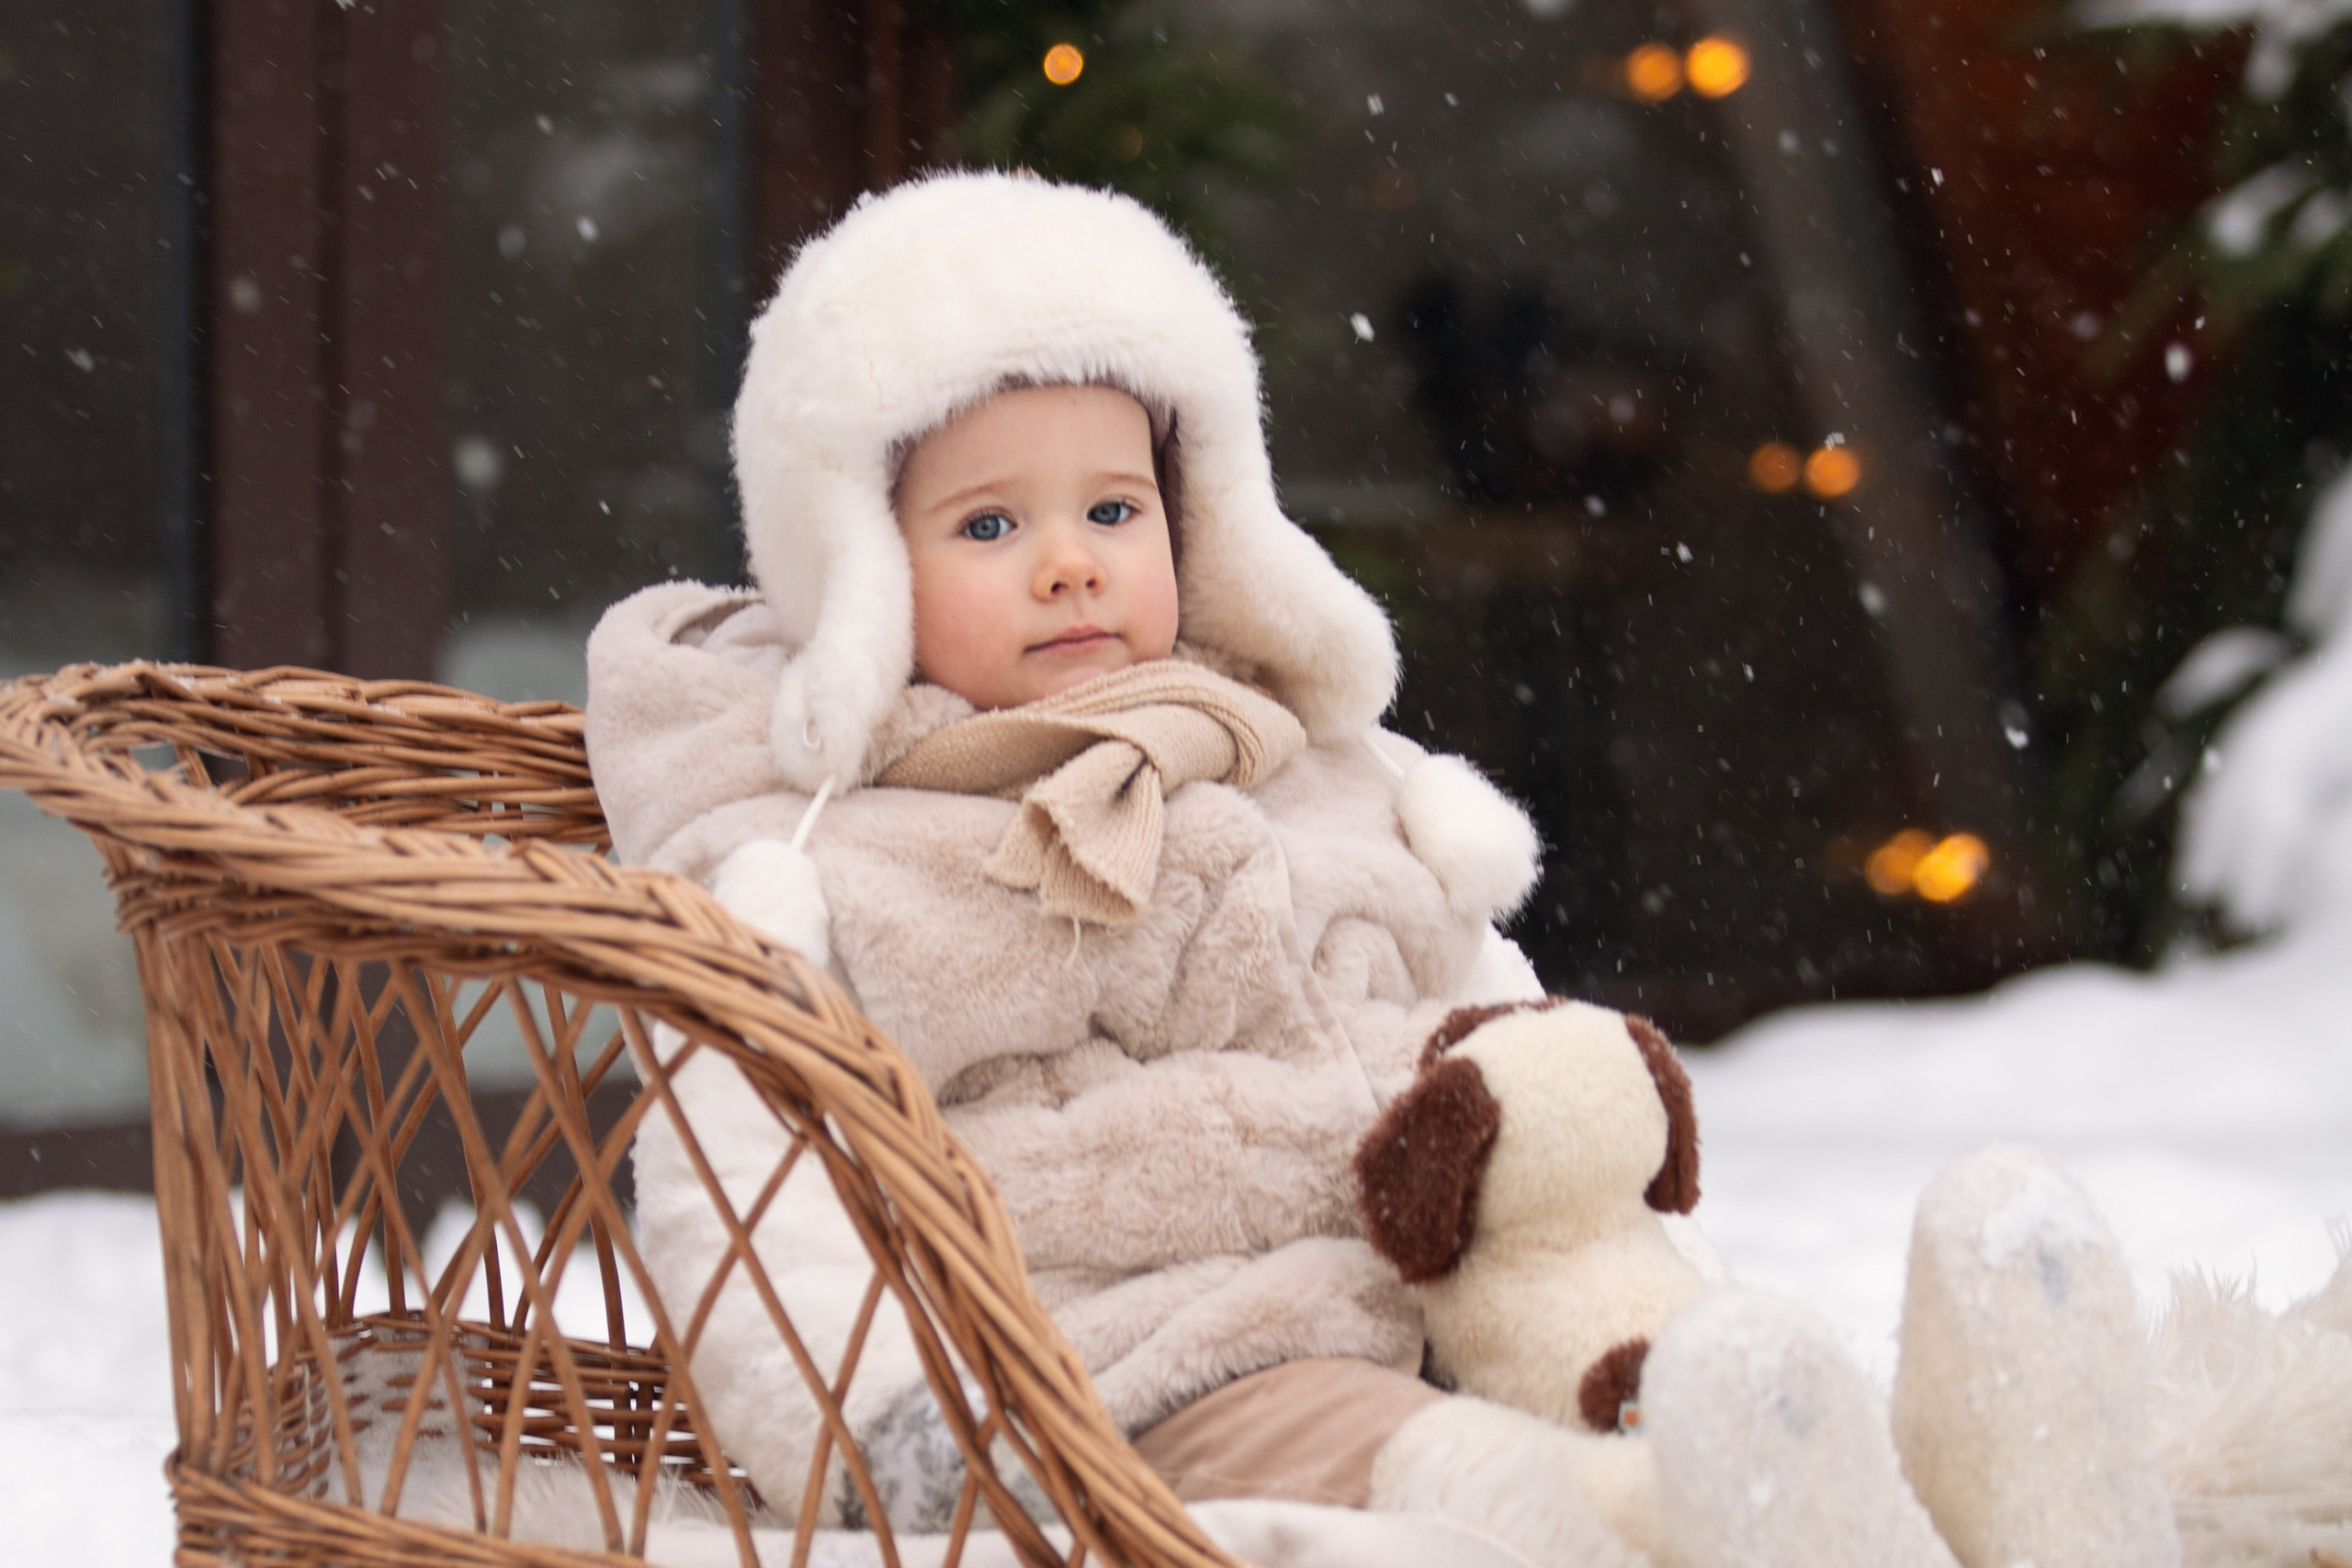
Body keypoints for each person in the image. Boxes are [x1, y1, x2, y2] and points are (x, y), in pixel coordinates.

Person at [583, 173, 2173, 1567]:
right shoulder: (833, 861)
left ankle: (1980, 1485)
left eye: (1114, 508)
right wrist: (872, 1432)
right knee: (1467, 1487)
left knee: (1642, 1360)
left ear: (1200, 523)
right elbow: (749, 1179)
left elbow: (1483, 1001)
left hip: (1456, 1284)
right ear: (857, 561)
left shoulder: (1310, 768)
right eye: (989, 526)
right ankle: (1690, 1516)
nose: (1069, 558)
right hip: (1167, 1357)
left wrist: (1583, 1183)